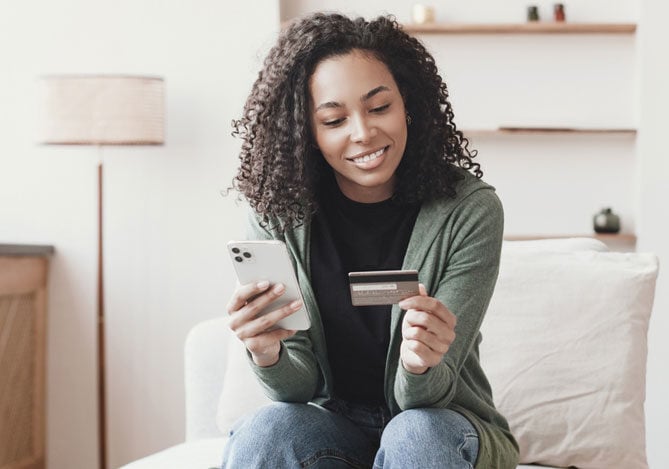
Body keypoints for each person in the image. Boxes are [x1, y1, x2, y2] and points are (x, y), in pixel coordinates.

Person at [222, 12, 519, 469]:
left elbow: (427, 397)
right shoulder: (277, 213)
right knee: (268, 431)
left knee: (414, 434)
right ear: (308, 133)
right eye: (334, 119)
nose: (363, 133)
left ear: (409, 105)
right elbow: (297, 390)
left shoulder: (469, 210)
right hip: (333, 425)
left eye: (380, 108)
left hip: (440, 422)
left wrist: (422, 362)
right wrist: (267, 353)